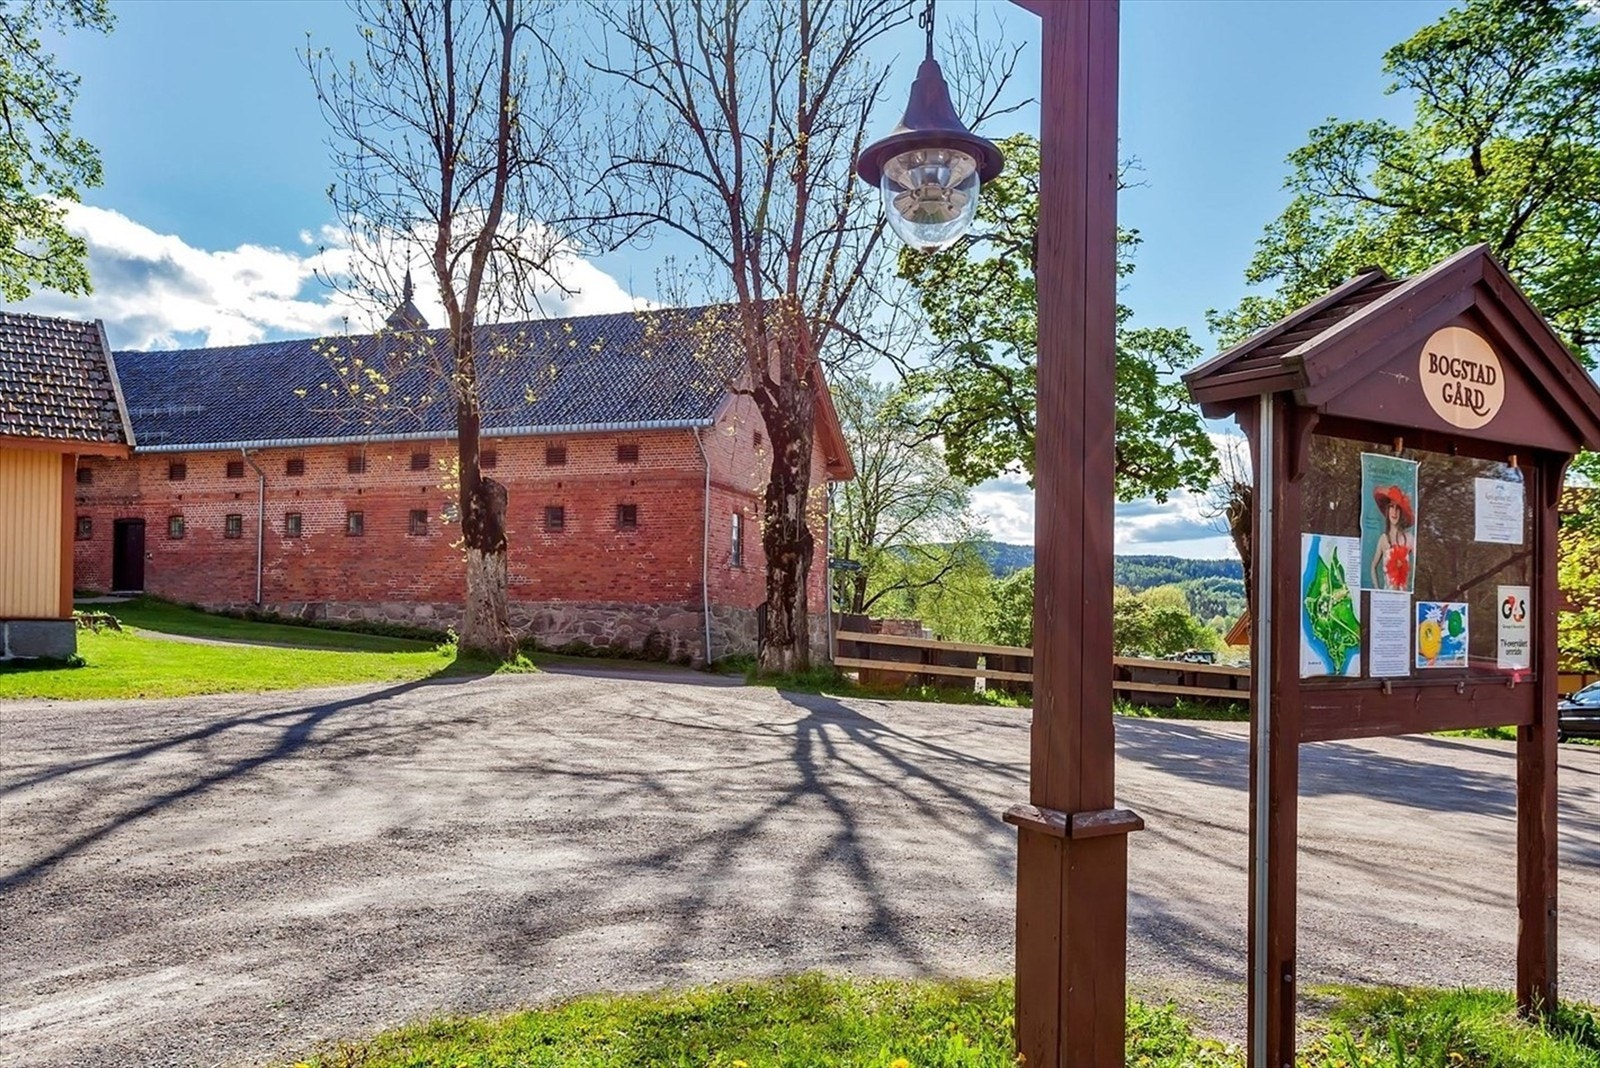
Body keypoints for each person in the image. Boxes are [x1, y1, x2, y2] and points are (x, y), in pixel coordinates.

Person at [1370, 485, 1414, 590]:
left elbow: (1419, 564)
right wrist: (1377, 590)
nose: (1394, 512)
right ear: (1387, 510)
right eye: (1391, 507)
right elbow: (1373, 566)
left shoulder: (1409, 538)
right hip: (1386, 600)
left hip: (1403, 600)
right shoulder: (1383, 539)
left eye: (1397, 508)